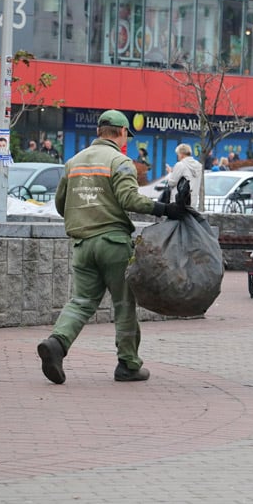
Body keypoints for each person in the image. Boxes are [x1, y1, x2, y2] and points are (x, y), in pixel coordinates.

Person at [37, 109, 185, 385]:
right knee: (124, 303)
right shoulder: (120, 161)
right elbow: (130, 200)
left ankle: (56, 344)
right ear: (122, 133)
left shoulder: (73, 162)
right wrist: (166, 209)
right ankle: (128, 364)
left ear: (98, 131)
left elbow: (60, 204)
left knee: (81, 301)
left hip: (82, 245)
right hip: (113, 244)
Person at [164, 143, 203, 207]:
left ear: (182, 154)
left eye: (178, 154)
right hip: (192, 201)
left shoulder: (180, 165)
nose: (178, 156)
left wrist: (170, 173)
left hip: (179, 201)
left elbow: (172, 183)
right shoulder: (199, 166)